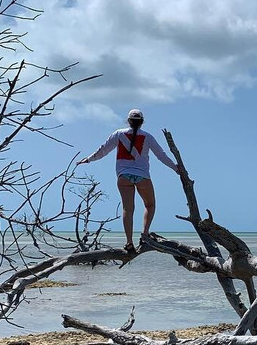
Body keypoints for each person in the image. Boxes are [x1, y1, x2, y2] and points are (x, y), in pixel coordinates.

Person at [78, 108, 183, 253]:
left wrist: (88, 159)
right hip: (143, 177)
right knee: (150, 205)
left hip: (124, 176)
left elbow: (103, 150)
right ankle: (145, 235)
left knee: (128, 209)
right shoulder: (148, 137)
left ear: (128, 121)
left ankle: (128, 242)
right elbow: (161, 156)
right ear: (142, 122)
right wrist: (176, 169)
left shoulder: (118, 134)